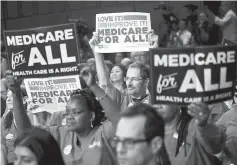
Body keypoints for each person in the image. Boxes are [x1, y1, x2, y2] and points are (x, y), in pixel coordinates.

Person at [5, 69, 121, 165]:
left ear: (91, 116)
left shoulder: (104, 133)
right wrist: (16, 94)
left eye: (76, 112)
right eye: (67, 112)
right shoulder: (60, 133)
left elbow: (119, 121)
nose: (69, 117)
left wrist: (93, 86)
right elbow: (27, 131)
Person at [154, 103, 226, 165]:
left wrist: (203, 126)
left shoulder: (195, 125)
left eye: (162, 100)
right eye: (155, 100)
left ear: (178, 104)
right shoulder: (149, 131)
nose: (157, 105)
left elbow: (217, 146)